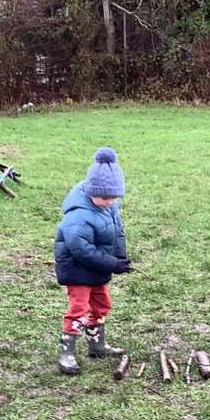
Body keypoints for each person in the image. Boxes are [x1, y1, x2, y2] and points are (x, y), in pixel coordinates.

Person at [54, 146, 132, 374]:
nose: (110, 201)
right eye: (105, 197)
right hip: (78, 270)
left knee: (102, 304)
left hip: (97, 268)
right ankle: (66, 353)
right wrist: (112, 264)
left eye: (114, 197)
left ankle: (97, 344)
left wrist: (119, 257)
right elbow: (83, 251)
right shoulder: (78, 216)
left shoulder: (109, 206)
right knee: (78, 308)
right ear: (91, 191)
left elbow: (117, 232)